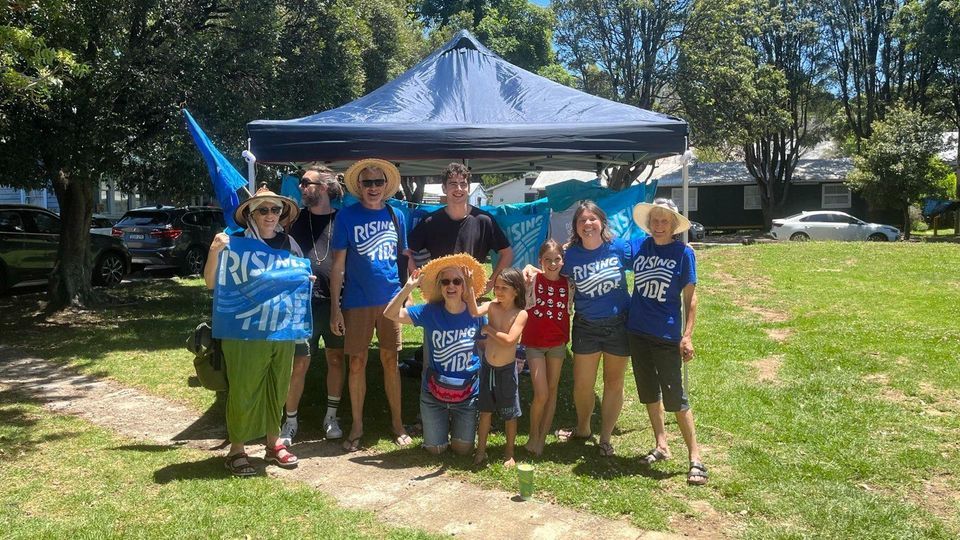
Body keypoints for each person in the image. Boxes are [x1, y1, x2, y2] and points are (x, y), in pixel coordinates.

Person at [204, 184, 305, 476]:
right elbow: (211, 283)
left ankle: (274, 445)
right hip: (244, 331)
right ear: (250, 213)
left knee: (277, 386)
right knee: (244, 389)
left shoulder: (289, 244)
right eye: (263, 209)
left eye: (275, 209)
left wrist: (303, 279)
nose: (270, 215)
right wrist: (214, 252)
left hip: (281, 331)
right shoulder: (233, 243)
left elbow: (295, 279)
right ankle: (237, 449)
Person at [526, 201, 631, 457]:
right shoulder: (569, 253)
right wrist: (530, 269)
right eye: (582, 220)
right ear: (575, 227)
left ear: (602, 222)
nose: (588, 224)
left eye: (592, 219)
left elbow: (648, 258)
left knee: (613, 383)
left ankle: (605, 437)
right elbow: (549, 266)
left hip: (619, 325)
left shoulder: (618, 247)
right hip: (586, 325)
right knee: (583, 386)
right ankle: (583, 428)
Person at [330, 158, 410, 452]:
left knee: (392, 361)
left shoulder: (397, 215)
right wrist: (335, 309)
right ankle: (357, 425)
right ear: (359, 187)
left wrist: (406, 293)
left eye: (378, 182)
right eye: (368, 183)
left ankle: (398, 424)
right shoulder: (346, 217)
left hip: (390, 300)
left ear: (386, 186)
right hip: (356, 301)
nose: (373, 187)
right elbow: (338, 265)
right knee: (357, 363)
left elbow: (403, 258)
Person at [628, 199, 707, 486]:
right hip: (637, 331)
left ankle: (695, 457)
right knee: (649, 393)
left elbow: (691, 298)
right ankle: (661, 445)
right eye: (655, 221)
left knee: (676, 398)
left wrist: (687, 335)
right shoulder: (640, 246)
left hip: (666, 334)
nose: (659, 226)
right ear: (649, 224)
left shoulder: (684, 253)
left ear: (674, 226)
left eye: (665, 221)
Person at [383, 254, 487, 456]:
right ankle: (438, 433)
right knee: (435, 450)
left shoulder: (476, 315)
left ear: (465, 285)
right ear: (440, 286)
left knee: (462, 450)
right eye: (445, 281)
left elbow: (485, 348)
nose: (451, 286)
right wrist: (408, 288)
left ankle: (458, 430)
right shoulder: (429, 312)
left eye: (457, 281)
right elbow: (390, 314)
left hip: (467, 395)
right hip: (434, 393)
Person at [281, 166, 346, 444]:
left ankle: (331, 417)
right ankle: (290, 421)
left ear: (324, 187)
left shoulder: (343, 220)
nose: (301, 187)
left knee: (335, 359)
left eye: (306, 182)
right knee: (299, 362)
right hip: (300, 304)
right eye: (301, 183)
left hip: (336, 303)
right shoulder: (293, 220)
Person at [406, 163, 513, 292]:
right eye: (453, 184)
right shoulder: (430, 221)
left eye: (463, 184)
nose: (459, 188)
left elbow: (507, 253)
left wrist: (490, 284)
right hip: (441, 295)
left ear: (468, 188)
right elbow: (407, 252)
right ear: (444, 188)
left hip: (471, 296)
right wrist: (420, 282)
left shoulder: (484, 220)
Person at [466, 267, 528, 467]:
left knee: (510, 413)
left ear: (516, 290)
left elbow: (510, 340)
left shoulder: (520, 314)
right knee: (485, 411)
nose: (498, 291)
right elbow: (475, 311)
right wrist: (468, 286)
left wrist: (488, 329)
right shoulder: (492, 306)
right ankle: (481, 450)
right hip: (488, 367)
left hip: (506, 370)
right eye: (497, 287)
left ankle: (509, 452)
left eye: (504, 288)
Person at [520, 239, 571, 455]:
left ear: (562, 260)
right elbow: (515, 276)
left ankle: (541, 438)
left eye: (557, 259)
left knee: (552, 391)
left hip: (558, 343)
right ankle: (533, 434)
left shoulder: (569, 284)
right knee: (540, 393)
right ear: (540, 261)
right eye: (547, 260)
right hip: (534, 343)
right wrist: (529, 267)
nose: (552, 264)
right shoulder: (532, 280)